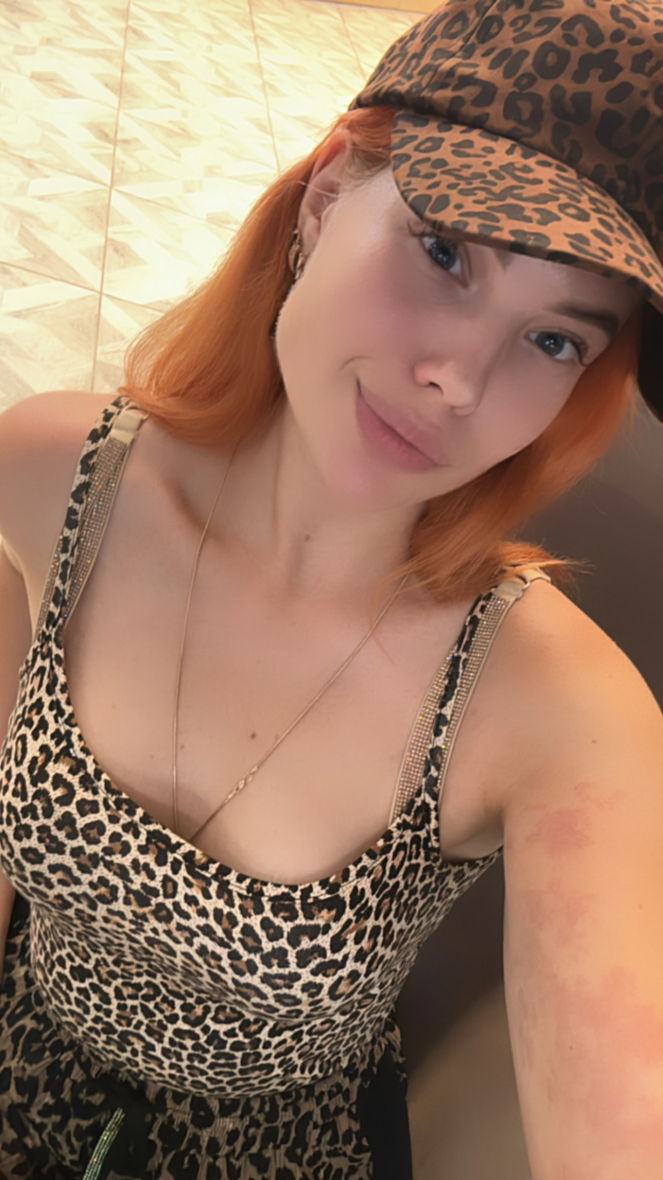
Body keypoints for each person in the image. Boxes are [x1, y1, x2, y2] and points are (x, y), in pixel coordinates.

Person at [0, 0, 662, 1176]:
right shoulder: (46, 475)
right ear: (322, 198)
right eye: (446, 252)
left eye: (557, 339)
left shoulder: (562, 708)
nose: (458, 379)